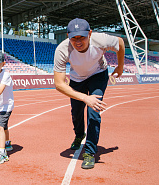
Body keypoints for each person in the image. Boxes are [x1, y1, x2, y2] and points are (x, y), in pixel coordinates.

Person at [54, 18, 125, 169]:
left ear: (90, 34)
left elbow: (120, 42)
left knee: (94, 111)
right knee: (76, 112)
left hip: (98, 74)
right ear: (68, 36)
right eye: (74, 38)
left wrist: (120, 66)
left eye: (82, 37)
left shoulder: (100, 40)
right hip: (77, 79)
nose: (78, 42)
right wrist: (85, 98)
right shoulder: (62, 50)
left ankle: (89, 152)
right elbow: (59, 84)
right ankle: (79, 135)